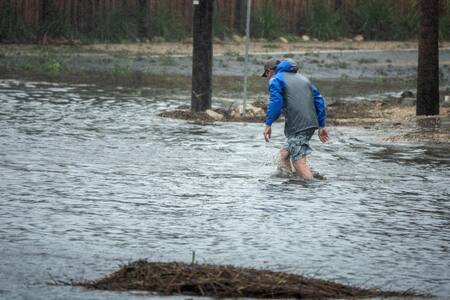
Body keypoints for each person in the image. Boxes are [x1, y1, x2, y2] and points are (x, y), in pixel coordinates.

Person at [262, 58, 329, 180]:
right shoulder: (303, 79)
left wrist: (268, 124)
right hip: (307, 124)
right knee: (283, 156)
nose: (267, 77)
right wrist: (321, 125)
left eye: (266, 74)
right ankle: (298, 180)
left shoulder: (275, 79)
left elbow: (275, 102)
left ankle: (312, 188)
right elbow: (319, 100)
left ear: (269, 71)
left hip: (300, 126)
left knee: (298, 162)